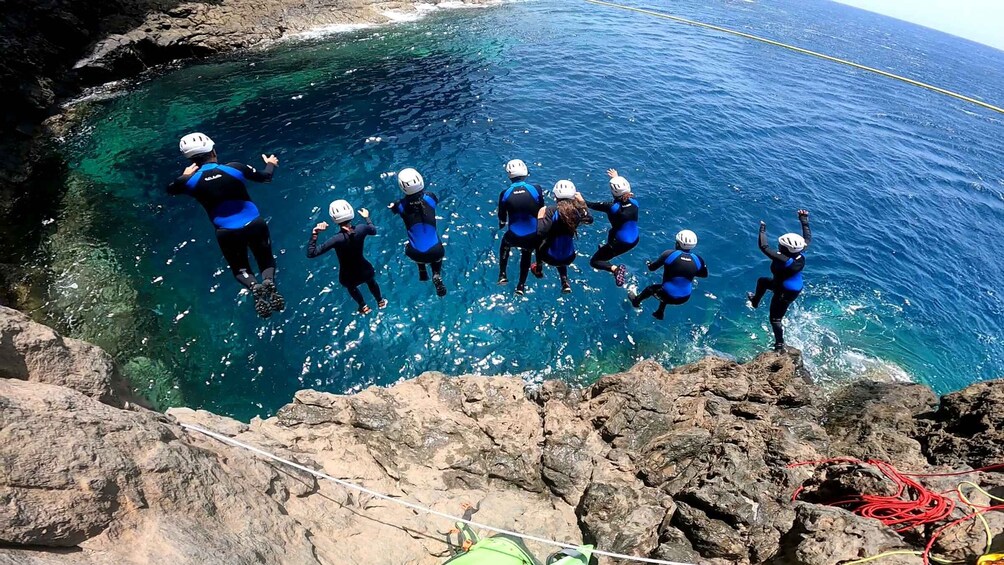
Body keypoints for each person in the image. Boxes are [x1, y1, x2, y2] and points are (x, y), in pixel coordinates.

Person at [167, 132, 284, 319]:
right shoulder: (234, 168)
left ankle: (254, 286)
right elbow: (266, 177)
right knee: (266, 260)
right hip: (254, 223)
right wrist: (271, 162)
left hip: (226, 231)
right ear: (213, 150)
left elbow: (171, 190)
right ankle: (268, 280)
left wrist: (183, 177)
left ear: (189, 159)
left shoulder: (188, 183)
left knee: (240, 269)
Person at [306, 200, 386, 315]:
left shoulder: (336, 239)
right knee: (371, 281)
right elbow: (373, 230)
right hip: (365, 270)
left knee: (351, 287)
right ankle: (380, 301)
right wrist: (367, 218)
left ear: (334, 219)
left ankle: (363, 306)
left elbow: (311, 253)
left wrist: (315, 233)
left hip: (348, 276)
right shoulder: (361, 228)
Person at [748, 209, 812, 351]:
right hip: (789, 286)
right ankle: (755, 301)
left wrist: (762, 229)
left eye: (781, 245)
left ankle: (779, 345)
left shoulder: (784, 259)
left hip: (784, 291)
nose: (779, 246)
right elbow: (807, 237)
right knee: (763, 282)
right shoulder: (798, 252)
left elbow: (763, 247)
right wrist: (803, 219)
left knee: (775, 319)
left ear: (786, 249)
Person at [389, 168, 447, 297]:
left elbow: (395, 209)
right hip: (436, 251)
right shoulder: (430, 197)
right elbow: (432, 201)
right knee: (433, 242)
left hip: (415, 254)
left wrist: (393, 206)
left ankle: (422, 270)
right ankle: (436, 274)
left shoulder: (400, 205)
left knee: (413, 243)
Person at [629, 230, 708, 320]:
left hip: (667, 295)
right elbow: (704, 274)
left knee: (651, 289)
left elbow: (652, 268)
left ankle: (636, 302)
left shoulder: (669, 254)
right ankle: (660, 312)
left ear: (678, 244)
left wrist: (648, 263)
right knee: (668, 285)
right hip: (685, 297)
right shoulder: (698, 259)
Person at [532, 180, 593, 294]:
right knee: (561, 251)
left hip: (549, 258)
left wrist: (541, 214)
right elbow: (589, 219)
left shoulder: (550, 211)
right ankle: (565, 282)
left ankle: (538, 269)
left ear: (555, 195)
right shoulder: (577, 212)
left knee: (540, 244)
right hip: (569, 257)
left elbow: (540, 233)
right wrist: (582, 202)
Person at [497, 159, 546, 293]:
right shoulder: (536, 188)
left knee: (505, 243)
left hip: (514, 235)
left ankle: (502, 274)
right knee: (526, 253)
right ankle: (521, 286)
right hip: (532, 234)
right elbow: (542, 209)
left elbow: (502, 216)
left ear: (509, 175)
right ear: (525, 172)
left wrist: (501, 224)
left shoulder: (504, 193)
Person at [586, 168, 639, 287]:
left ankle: (616, 269)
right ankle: (607, 249)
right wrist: (616, 178)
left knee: (595, 261)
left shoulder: (611, 207)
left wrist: (576, 198)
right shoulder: (635, 203)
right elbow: (623, 195)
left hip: (620, 243)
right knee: (612, 232)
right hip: (634, 239)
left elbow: (589, 204)